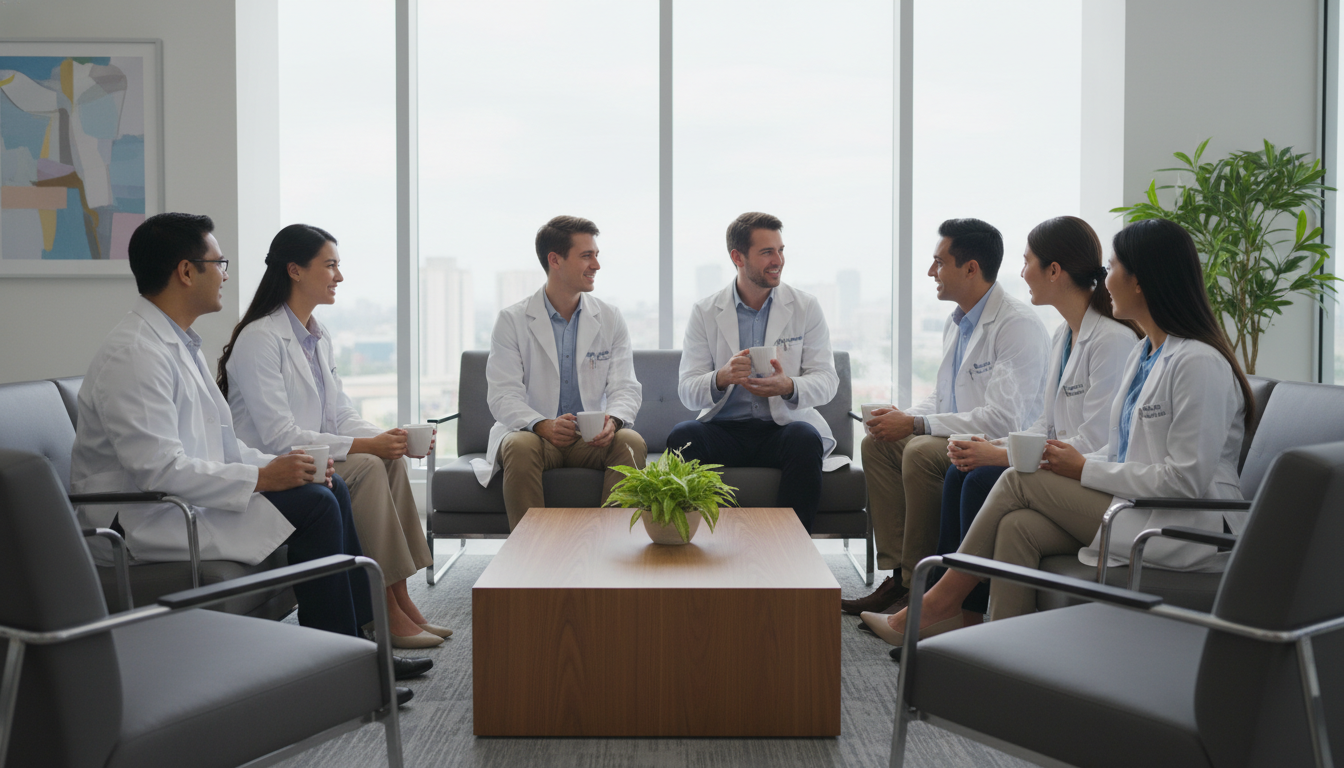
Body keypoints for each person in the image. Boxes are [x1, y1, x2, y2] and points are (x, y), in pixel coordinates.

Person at [69, 213, 431, 692]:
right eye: (218, 263)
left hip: (189, 498)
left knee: (328, 486)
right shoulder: (135, 353)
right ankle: (342, 670)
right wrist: (265, 478)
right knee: (319, 504)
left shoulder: (181, 345)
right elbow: (157, 469)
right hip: (140, 520)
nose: (224, 274)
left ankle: (361, 650)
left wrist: (283, 468)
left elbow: (225, 446)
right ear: (185, 271)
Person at [867, 218, 1254, 646]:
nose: (1105, 281)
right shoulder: (1146, 353)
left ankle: (939, 602)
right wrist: (1048, 457)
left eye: (1114, 269)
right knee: (1018, 526)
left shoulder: (1196, 363)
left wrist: (1081, 468)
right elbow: (1119, 448)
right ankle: (997, 657)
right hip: (1132, 504)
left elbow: (1184, 480)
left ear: (1141, 281)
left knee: (1015, 480)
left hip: (1179, 525)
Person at [870, 216, 1139, 632]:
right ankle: (975, 628)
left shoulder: (1111, 341)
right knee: (972, 479)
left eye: (1027, 260)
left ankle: (941, 603)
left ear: (1054, 270)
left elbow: (1096, 441)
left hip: (1094, 479)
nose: (1021, 272)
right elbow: (1045, 423)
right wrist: (991, 445)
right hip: (1069, 468)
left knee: (980, 478)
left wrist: (998, 452)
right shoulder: (1064, 337)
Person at [218, 224, 448, 649]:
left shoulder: (316, 337)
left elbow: (339, 415)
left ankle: (399, 601)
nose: (339, 276)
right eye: (330, 266)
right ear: (295, 271)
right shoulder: (259, 339)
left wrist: (388, 438)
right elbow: (279, 435)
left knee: (388, 459)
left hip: (314, 452)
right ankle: (383, 607)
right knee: (366, 464)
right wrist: (368, 447)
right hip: (277, 459)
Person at [843, 218, 1051, 615]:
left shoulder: (1015, 325)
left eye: (939, 262)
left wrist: (918, 425)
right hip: (957, 433)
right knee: (879, 444)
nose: (930, 272)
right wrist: (903, 416)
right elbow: (942, 399)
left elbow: (1003, 420)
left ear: (970, 268)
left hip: (996, 445)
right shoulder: (956, 322)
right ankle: (901, 577)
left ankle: (924, 583)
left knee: (919, 451)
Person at [668, 212, 845, 533]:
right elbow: (687, 390)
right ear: (737, 257)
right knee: (683, 437)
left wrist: (788, 385)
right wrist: (721, 377)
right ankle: (692, 543)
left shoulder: (805, 307)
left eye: (780, 250)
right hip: (724, 429)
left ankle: (792, 550)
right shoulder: (705, 311)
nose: (778, 260)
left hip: (782, 429)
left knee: (805, 438)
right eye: (767, 252)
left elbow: (827, 380)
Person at [476, 215, 646, 529]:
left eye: (596, 255)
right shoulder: (512, 320)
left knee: (630, 441)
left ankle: (613, 547)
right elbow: (502, 395)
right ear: (555, 260)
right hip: (535, 436)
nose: (596, 264)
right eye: (586, 256)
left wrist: (615, 420)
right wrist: (542, 425)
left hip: (591, 439)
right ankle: (531, 557)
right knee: (518, 445)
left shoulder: (610, 318)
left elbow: (626, 386)